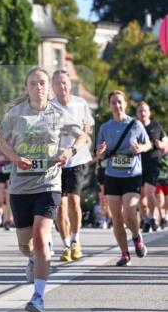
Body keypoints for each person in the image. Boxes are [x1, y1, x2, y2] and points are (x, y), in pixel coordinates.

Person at [0, 66, 86, 312]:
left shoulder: (59, 113)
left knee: (40, 235)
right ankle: (34, 257)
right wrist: (15, 158)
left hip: (49, 184)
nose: (38, 87)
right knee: (27, 246)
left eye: (43, 83)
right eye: (34, 83)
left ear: (49, 88)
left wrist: (68, 152)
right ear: (26, 87)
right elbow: (2, 141)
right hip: (21, 186)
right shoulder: (15, 114)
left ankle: (38, 296)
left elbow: (81, 137)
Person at [94, 90, 150, 266]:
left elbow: (147, 143)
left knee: (129, 213)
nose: (117, 106)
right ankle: (125, 254)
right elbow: (100, 154)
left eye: (120, 102)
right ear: (109, 105)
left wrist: (140, 148)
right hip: (112, 176)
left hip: (132, 175)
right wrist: (101, 153)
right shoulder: (105, 128)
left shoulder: (135, 125)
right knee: (116, 218)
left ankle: (136, 236)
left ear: (125, 104)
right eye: (113, 103)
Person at [50, 69, 95, 261]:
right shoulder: (48, 106)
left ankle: (76, 240)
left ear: (70, 84)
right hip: (56, 161)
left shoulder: (81, 103)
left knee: (74, 202)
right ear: (53, 86)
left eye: (65, 83)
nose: (62, 86)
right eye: (58, 83)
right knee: (60, 205)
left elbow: (87, 130)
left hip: (76, 159)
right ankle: (66, 244)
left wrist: (86, 136)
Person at [136, 101, 168, 233]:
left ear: (149, 112)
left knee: (149, 192)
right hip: (137, 166)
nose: (143, 113)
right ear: (137, 113)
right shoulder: (135, 127)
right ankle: (145, 219)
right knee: (140, 196)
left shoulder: (156, 126)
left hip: (153, 164)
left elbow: (166, 141)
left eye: (145, 111)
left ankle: (152, 217)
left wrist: (162, 145)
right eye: (140, 111)